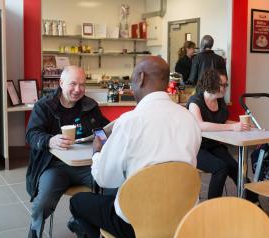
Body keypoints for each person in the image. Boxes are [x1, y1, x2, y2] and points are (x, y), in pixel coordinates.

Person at [68, 56, 202, 238]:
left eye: (132, 80)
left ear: (141, 78)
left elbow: (104, 179)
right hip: (181, 218)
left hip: (135, 223)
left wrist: (97, 152)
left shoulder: (130, 122)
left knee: (79, 202)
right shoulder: (189, 119)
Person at [26, 66, 109, 238]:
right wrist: (50, 140)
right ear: (61, 83)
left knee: (109, 186)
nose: (78, 90)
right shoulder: (44, 106)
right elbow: (31, 135)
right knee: (42, 203)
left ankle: (83, 223)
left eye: (82, 85)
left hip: (87, 165)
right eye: (73, 84)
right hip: (54, 165)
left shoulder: (90, 106)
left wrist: (103, 137)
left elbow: (102, 129)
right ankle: (34, 229)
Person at [186, 69, 249, 199]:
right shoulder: (195, 101)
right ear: (211, 84)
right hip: (195, 148)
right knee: (220, 167)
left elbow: (221, 121)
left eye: (226, 84)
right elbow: (200, 125)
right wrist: (232, 127)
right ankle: (212, 208)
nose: (225, 88)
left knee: (236, 168)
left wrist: (242, 125)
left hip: (212, 145)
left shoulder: (220, 101)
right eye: (223, 85)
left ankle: (253, 201)